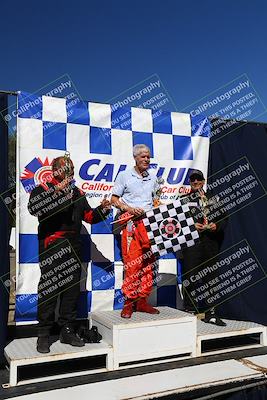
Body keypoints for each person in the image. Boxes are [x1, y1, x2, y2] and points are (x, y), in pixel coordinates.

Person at [28, 155, 110, 353]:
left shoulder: (77, 192)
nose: (69, 173)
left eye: (71, 170)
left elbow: (88, 217)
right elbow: (33, 208)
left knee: (71, 290)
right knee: (50, 289)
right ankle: (44, 334)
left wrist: (103, 209)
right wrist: (56, 191)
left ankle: (67, 330)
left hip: (74, 245)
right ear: (55, 170)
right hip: (52, 245)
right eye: (66, 169)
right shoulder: (43, 189)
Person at [111, 144, 160, 318]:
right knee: (133, 265)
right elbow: (114, 199)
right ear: (135, 157)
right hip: (131, 226)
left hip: (150, 226)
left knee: (149, 264)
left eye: (148, 157)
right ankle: (128, 303)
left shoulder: (153, 178)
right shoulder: (124, 175)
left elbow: (156, 201)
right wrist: (129, 209)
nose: (147, 159)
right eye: (143, 157)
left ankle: (142, 301)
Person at [179, 169, 226, 326]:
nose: (196, 182)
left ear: (204, 181)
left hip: (210, 243)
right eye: (193, 179)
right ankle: (189, 310)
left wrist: (216, 226)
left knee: (211, 277)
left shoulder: (214, 198)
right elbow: (176, 222)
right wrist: (191, 225)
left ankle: (210, 312)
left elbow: (224, 217)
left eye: (198, 179)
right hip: (192, 243)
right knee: (190, 276)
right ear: (189, 182)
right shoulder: (183, 200)